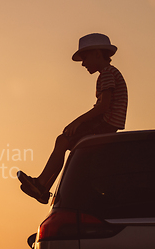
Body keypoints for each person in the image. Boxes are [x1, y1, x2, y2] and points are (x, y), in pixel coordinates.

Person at [18, 33, 128, 204]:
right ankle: (43, 187)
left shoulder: (106, 74)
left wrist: (77, 121)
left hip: (105, 123)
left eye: (85, 58)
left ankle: (42, 185)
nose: (83, 63)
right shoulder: (110, 73)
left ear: (97, 54)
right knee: (66, 144)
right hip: (107, 123)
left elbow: (103, 107)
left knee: (63, 141)